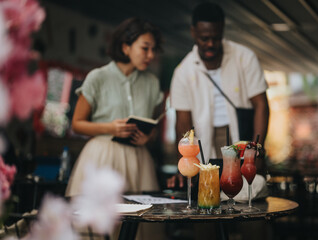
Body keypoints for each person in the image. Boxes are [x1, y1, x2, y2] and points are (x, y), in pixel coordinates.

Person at [168, 3, 270, 240]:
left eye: (215, 37)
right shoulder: (183, 71)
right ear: (194, 32)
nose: (210, 44)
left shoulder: (245, 58)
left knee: (251, 214)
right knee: (206, 214)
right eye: (204, 38)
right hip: (205, 144)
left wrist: (257, 151)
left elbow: (261, 105)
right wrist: (185, 161)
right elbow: (183, 124)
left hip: (240, 142)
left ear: (223, 30)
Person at [65, 17, 165, 240]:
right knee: (99, 228)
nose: (150, 55)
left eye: (153, 50)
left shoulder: (152, 83)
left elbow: (153, 128)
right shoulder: (98, 77)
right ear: (125, 46)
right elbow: (77, 123)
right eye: (145, 48)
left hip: (139, 161)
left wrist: (147, 138)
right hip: (102, 157)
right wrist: (109, 127)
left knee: (141, 227)